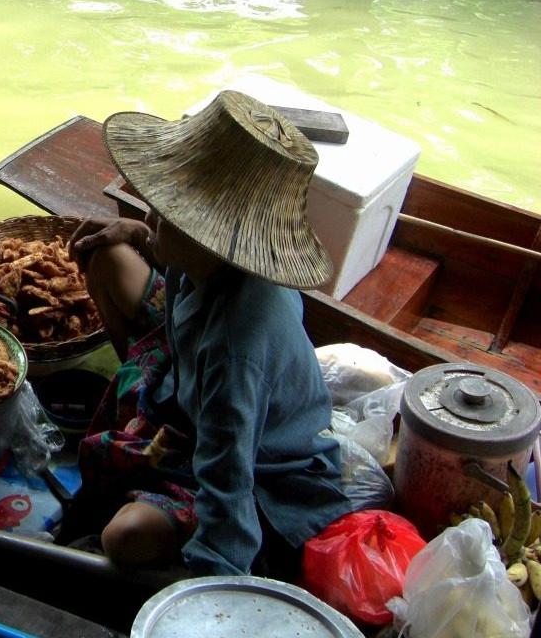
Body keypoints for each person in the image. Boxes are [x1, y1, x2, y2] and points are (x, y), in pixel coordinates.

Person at [63, 90, 354, 578]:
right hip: (187, 384)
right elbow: (159, 249)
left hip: (262, 473)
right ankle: (149, 415)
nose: (152, 218)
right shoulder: (210, 264)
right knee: (107, 255)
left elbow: (227, 488)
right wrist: (136, 234)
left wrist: (209, 588)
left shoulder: (234, 353)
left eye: (166, 216)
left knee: (124, 536)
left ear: (210, 238)